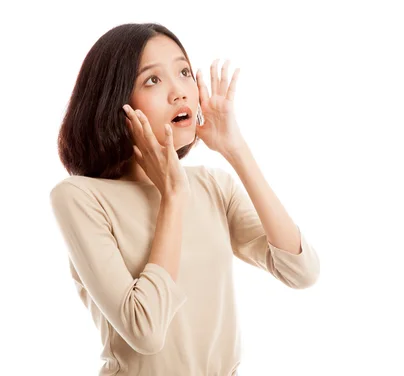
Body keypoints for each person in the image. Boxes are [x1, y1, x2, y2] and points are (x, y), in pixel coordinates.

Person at [49, 23, 320, 376]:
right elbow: (144, 330)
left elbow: (301, 271)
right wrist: (172, 196)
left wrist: (235, 149)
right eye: (152, 80)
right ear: (117, 102)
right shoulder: (79, 197)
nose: (179, 92)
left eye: (184, 72)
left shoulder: (213, 185)